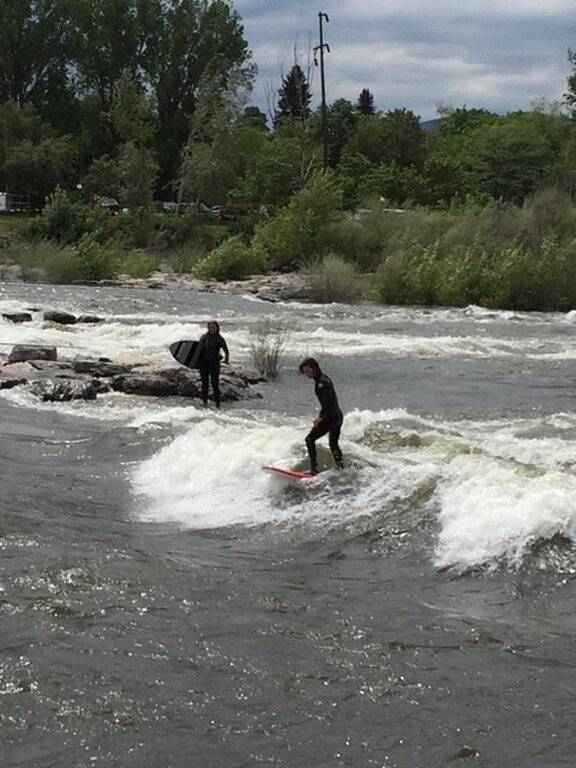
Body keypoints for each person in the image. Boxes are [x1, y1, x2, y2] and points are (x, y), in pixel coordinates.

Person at [299, 357, 344, 475]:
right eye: (305, 372)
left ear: (314, 368)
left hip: (331, 416)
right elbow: (330, 403)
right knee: (333, 444)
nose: (307, 374)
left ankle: (314, 470)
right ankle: (341, 467)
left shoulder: (320, 383)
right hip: (338, 416)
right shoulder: (325, 378)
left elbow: (328, 403)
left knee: (309, 440)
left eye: (308, 370)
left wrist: (321, 417)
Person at [192, 321, 229, 408]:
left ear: (217, 328)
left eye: (214, 327)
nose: (212, 329)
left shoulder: (219, 339)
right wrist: (195, 363)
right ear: (208, 328)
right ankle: (204, 402)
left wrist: (226, 360)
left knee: (214, 384)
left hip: (214, 364)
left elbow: (226, 351)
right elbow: (198, 350)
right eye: (210, 327)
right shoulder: (204, 337)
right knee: (204, 384)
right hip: (204, 364)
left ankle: (218, 405)